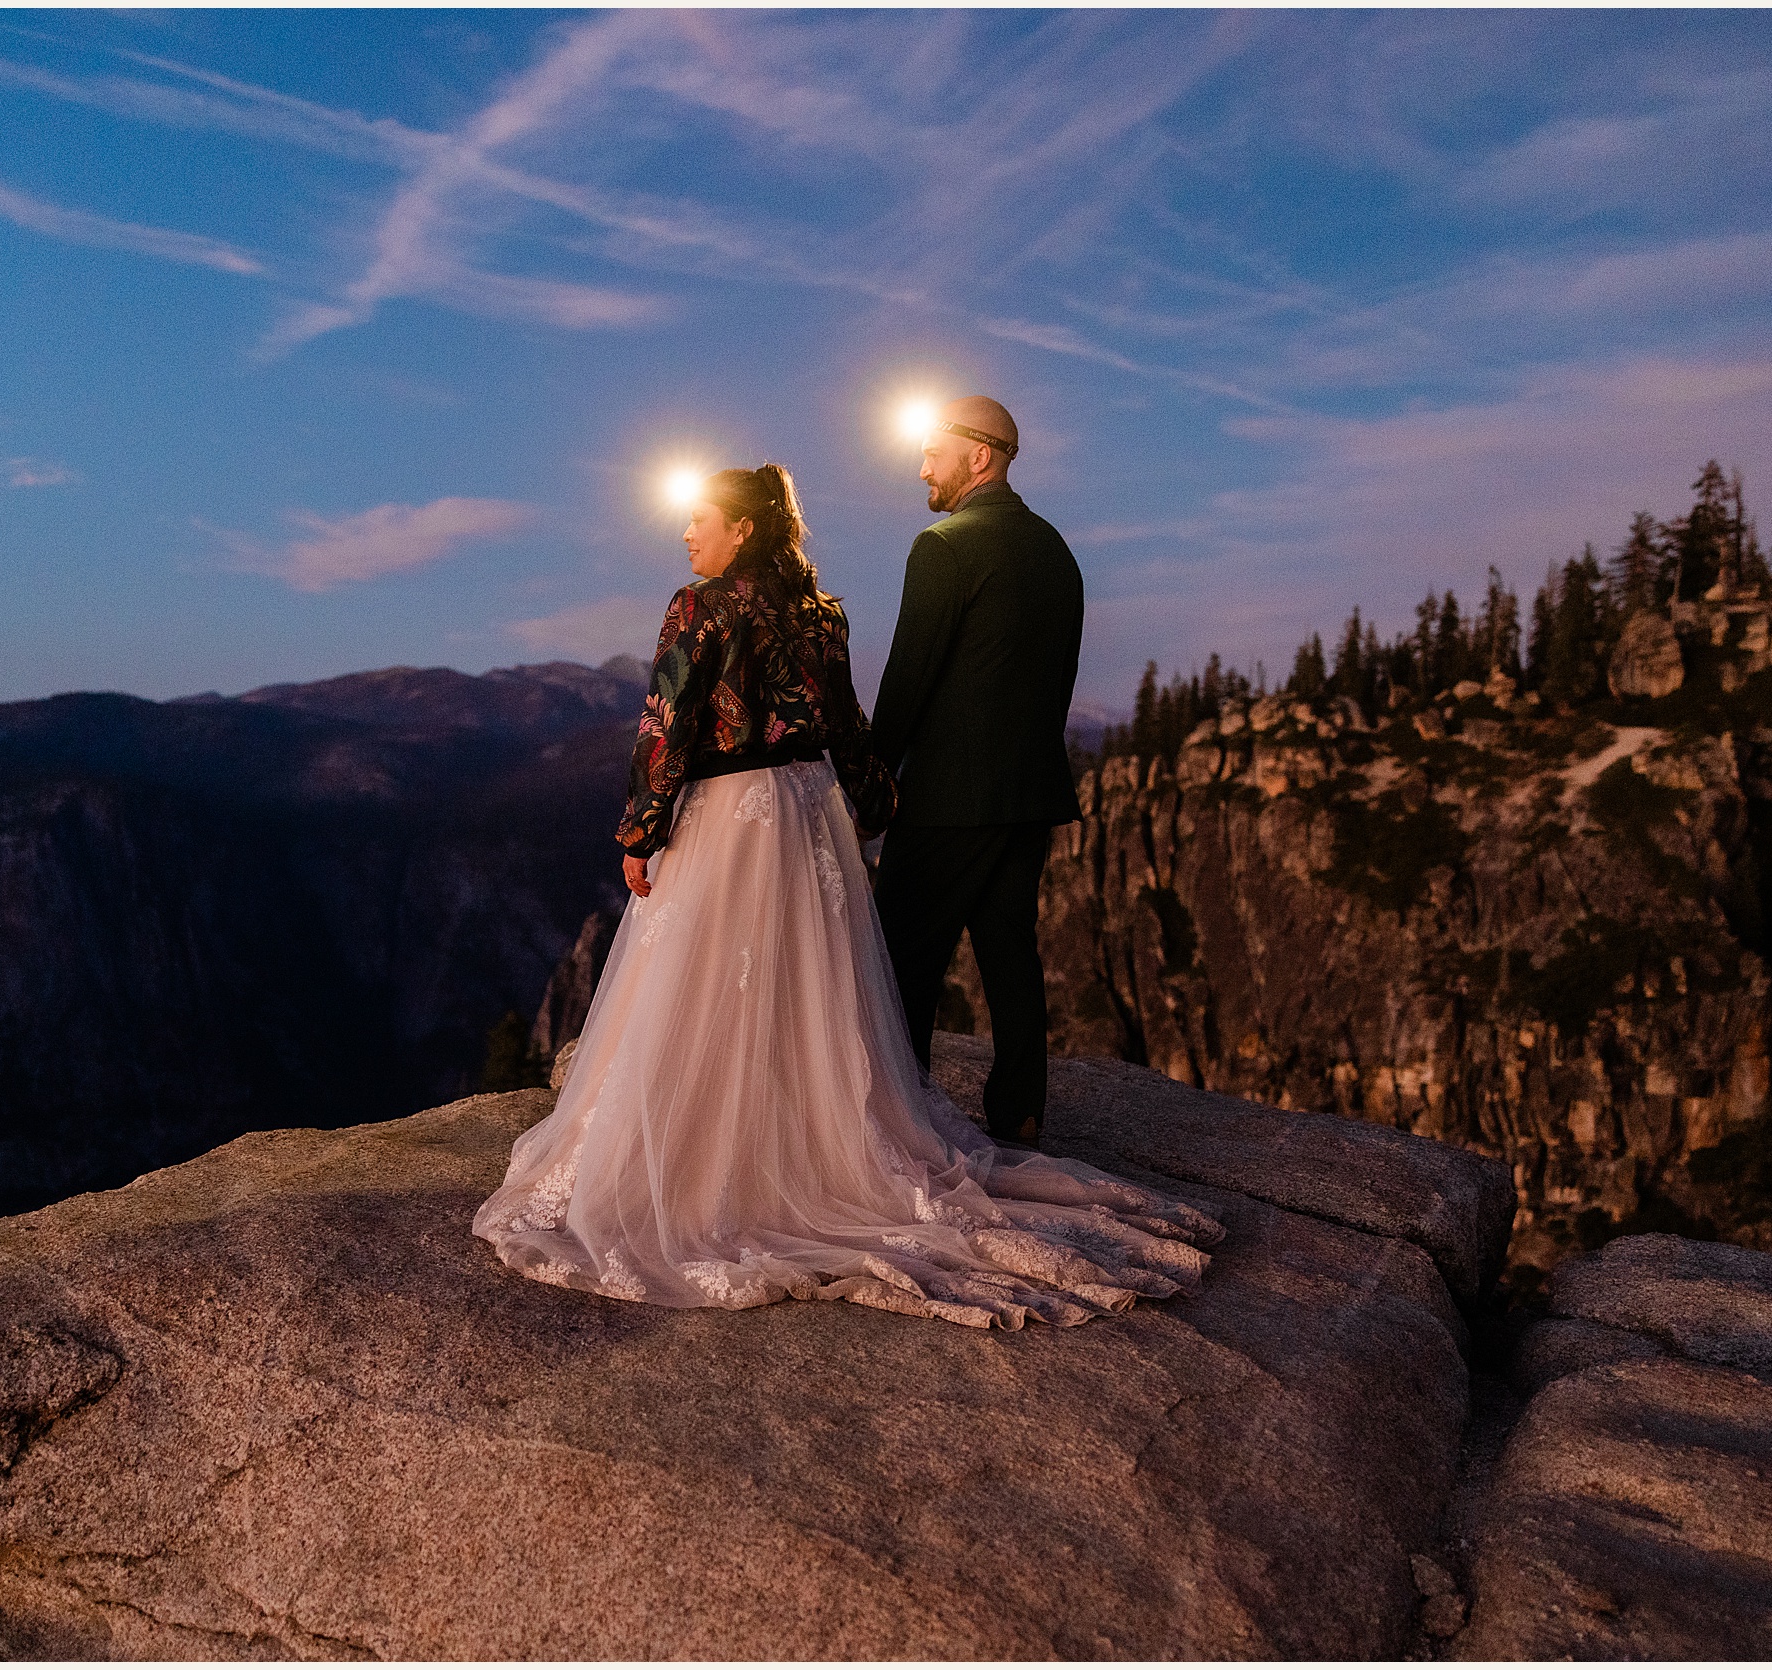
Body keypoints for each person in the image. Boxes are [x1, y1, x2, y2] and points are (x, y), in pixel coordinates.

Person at [472, 462, 1220, 1330]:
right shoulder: (821, 615)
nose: (688, 536)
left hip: (725, 818)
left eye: (700, 521)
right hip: (799, 816)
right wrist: (871, 798)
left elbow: (666, 723)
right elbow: (844, 722)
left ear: (742, 530)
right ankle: (808, 1140)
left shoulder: (699, 605)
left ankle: (717, 1153)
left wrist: (641, 830)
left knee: (707, 978)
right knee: (801, 985)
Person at [870, 396, 1079, 1148]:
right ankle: (1020, 1111)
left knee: (901, 959)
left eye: (934, 451)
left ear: (979, 456)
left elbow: (908, 678)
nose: (921, 466)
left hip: (947, 799)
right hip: (1028, 795)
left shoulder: (944, 546)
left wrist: (872, 780)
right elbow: (1059, 682)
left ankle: (898, 1119)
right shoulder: (1056, 550)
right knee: (1009, 953)